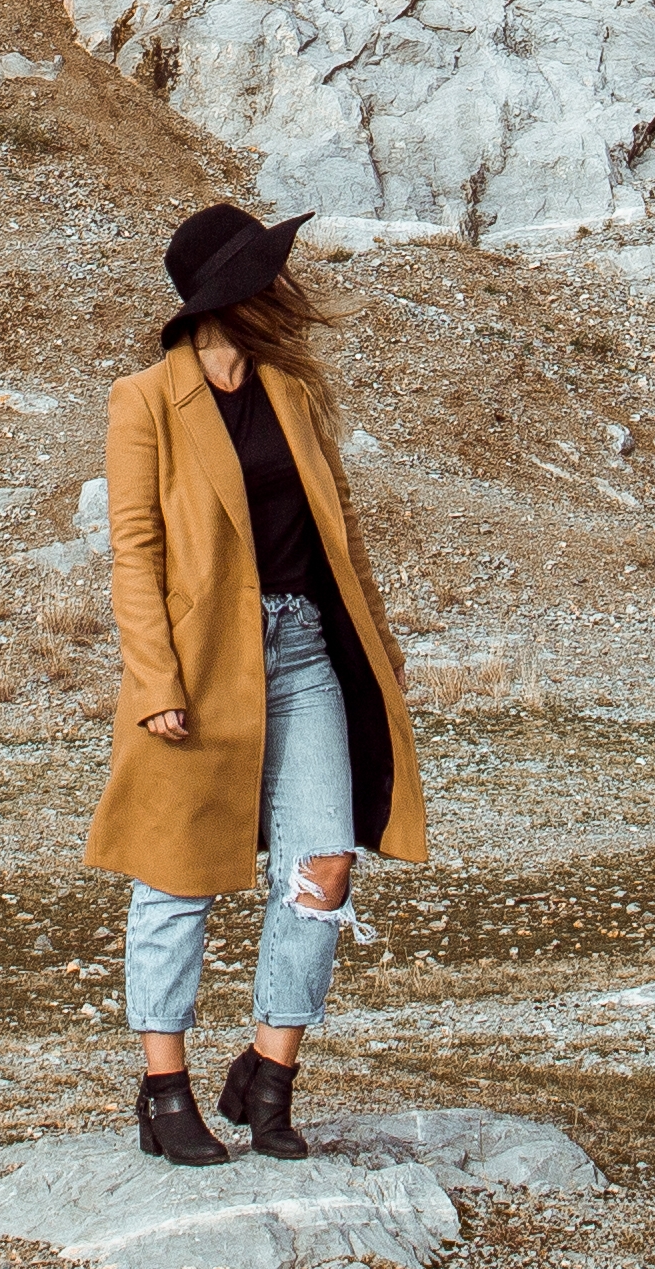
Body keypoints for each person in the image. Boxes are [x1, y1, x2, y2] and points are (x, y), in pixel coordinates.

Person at [82, 201, 430, 1164]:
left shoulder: (292, 393)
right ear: (231, 297)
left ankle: (267, 1075)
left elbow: (341, 526)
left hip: (306, 648)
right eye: (269, 277)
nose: (288, 290)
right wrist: (155, 676)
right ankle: (163, 1093)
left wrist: (381, 642)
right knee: (177, 876)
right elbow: (134, 552)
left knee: (324, 864)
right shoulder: (145, 400)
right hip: (199, 670)